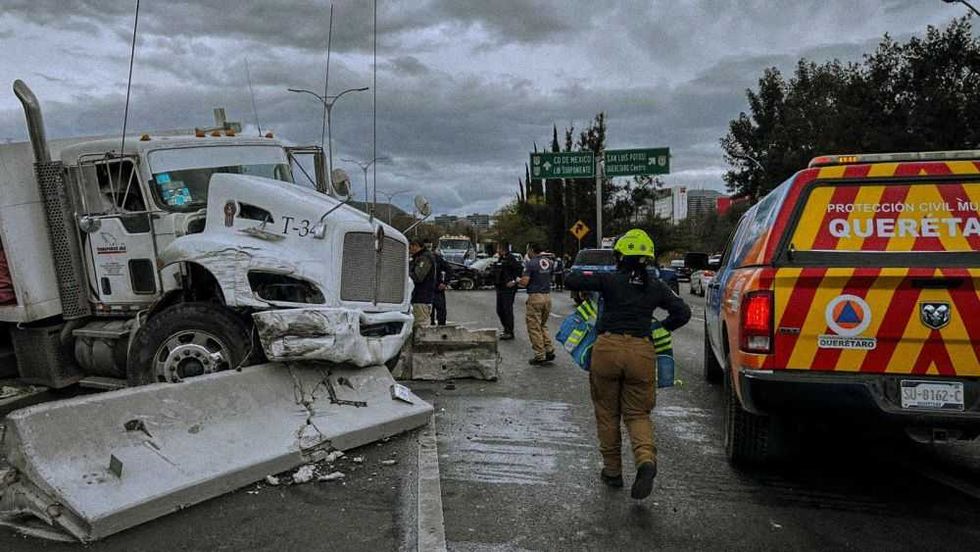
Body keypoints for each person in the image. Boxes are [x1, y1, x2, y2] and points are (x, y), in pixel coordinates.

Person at [565, 229, 691, 500]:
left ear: (620, 256)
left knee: (607, 413)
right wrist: (660, 328)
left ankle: (612, 472)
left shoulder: (610, 279)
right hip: (641, 351)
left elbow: (571, 279)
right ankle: (645, 460)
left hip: (607, 350)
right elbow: (683, 312)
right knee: (637, 413)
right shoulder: (656, 285)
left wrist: (590, 273)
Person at [519, 243, 555, 365]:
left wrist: (518, 281)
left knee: (534, 327)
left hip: (535, 297)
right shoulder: (549, 262)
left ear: (531, 250)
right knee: (543, 325)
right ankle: (549, 349)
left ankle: (540, 355)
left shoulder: (531, 263)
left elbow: (525, 282)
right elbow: (551, 278)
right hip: (547, 296)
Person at [491, 243, 523, 340]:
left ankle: (509, 331)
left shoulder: (511, 258)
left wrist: (514, 281)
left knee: (507, 310)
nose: (497, 250)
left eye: (498, 248)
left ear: (503, 249)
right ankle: (505, 328)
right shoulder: (501, 258)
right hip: (500, 287)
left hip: (508, 289)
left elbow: (520, 270)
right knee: (500, 310)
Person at [408, 239, 436, 330]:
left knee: (421, 327)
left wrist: (405, 273)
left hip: (421, 298)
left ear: (416, 246)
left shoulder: (424, 258)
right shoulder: (418, 257)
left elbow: (418, 277)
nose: (409, 250)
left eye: (410, 247)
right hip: (417, 298)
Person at [427, 242, 451, 326]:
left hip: (437, 289)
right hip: (425, 290)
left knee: (441, 312)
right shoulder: (420, 258)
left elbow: (449, 269)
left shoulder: (437, 258)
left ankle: (441, 328)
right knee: (428, 313)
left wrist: (445, 283)